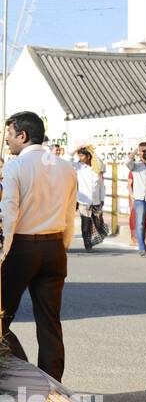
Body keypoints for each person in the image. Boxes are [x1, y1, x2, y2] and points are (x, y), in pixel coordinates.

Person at [0, 111, 78, 382]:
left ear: (23, 136)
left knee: (1, 317)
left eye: (9, 135)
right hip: (54, 247)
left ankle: (16, 376)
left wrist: (3, 254)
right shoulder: (66, 167)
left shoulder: (16, 166)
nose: (7, 141)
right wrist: (61, 247)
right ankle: (52, 385)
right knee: (49, 323)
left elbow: (9, 214)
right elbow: (70, 216)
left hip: (22, 247)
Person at [73, 147, 106, 250]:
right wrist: (75, 150)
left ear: (88, 156)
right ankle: (87, 242)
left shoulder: (96, 168)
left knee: (98, 223)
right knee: (85, 222)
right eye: (79, 155)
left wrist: (102, 199)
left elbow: (101, 185)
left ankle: (92, 238)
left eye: (82, 155)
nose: (80, 158)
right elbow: (68, 160)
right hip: (83, 200)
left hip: (96, 200)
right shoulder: (78, 167)